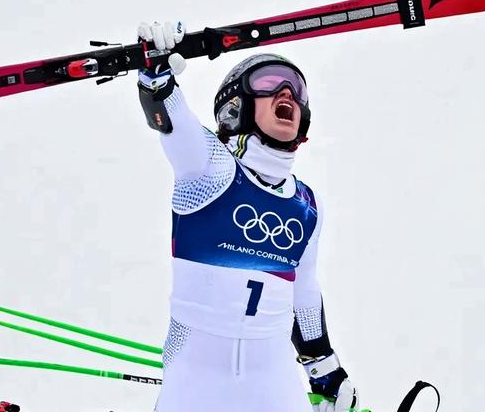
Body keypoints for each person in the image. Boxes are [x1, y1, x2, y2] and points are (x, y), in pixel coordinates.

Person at [136, 20, 360, 412]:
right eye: (269, 83)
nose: (287, 92)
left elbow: (303, 297)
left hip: (273, 381)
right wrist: (156, 73)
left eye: (295, 88)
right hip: (195, 377)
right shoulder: (210, 169)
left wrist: (325, 368)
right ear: (235, 106)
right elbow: (174, 123)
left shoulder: (308, 205)